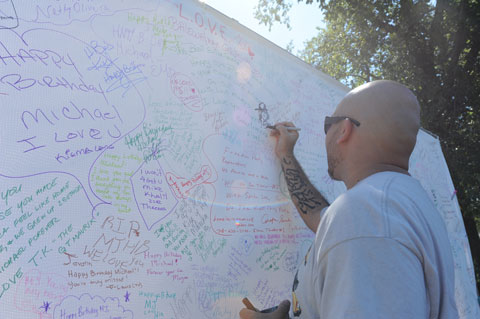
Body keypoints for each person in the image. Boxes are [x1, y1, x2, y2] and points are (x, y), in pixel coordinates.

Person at [239, 80, 458, 319]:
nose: (326, 135)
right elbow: (319, 217)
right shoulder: (394, 203)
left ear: (344, 129)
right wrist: (286, 155)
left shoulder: (367, 218)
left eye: (327, 125)